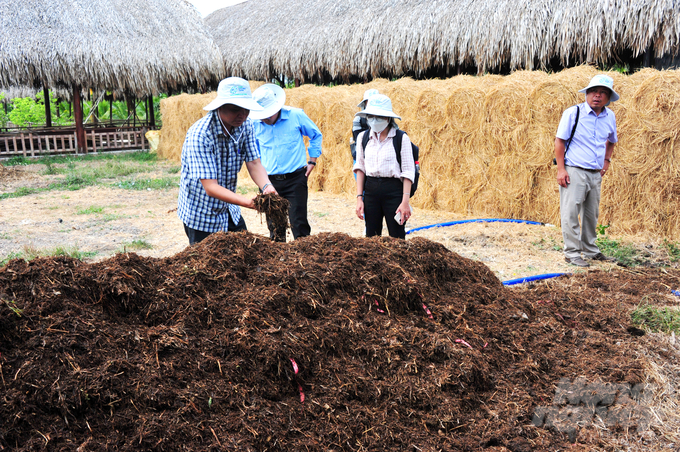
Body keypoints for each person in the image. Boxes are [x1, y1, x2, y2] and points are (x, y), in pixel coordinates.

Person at [177, 77, 277, 245]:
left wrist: (267, 186)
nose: (242, 115)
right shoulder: (200, 135)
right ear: (219, 107)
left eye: (246, 110)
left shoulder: (245, 125)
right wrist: (249, 203)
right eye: (235, 109)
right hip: (203, 214)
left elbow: (254, 163)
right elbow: (211, 187)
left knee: (245, 254)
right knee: (208, 266)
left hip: (229, 210)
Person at [555, 74, 619, 267]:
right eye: (593, 92)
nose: (597, 96)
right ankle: (572, 253)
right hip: (574, 169)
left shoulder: (610, 117)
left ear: (608, 98)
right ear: (586, 94)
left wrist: (606, 162)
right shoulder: (573, 113)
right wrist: (561, 169)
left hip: (595, 172)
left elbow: (612, 141)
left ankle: (590, 250)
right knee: (571, 212)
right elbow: (560, 141)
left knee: (591, 214)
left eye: (602, 93)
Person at [250, 84, 323, 242]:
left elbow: (316, 135)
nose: (265, 118)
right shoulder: (254, 124)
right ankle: (279, 261)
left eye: (268, 114)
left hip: (295, 179)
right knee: (275, 226)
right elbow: (253, 155)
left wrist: (312, 160)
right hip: (268, 181)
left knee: (299, 223)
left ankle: (303, 259)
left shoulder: (296, 115)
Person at [354, 94, 415, 239]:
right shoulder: (363, 138)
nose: (374, 121)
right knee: (371, 236)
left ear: (388, 118)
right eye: (370, 116)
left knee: (397, 236)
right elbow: (360, 168)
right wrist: (359, 198)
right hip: (371, 189)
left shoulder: (401, 138)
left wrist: (405, 202)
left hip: (393, 191)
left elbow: (408, 171)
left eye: (379, 117)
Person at [350, 88, 379, 164]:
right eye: (369, 102)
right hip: (362, 155)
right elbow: (359, 139)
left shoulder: (387, 119)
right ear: (365, 103)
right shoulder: (358, 119)